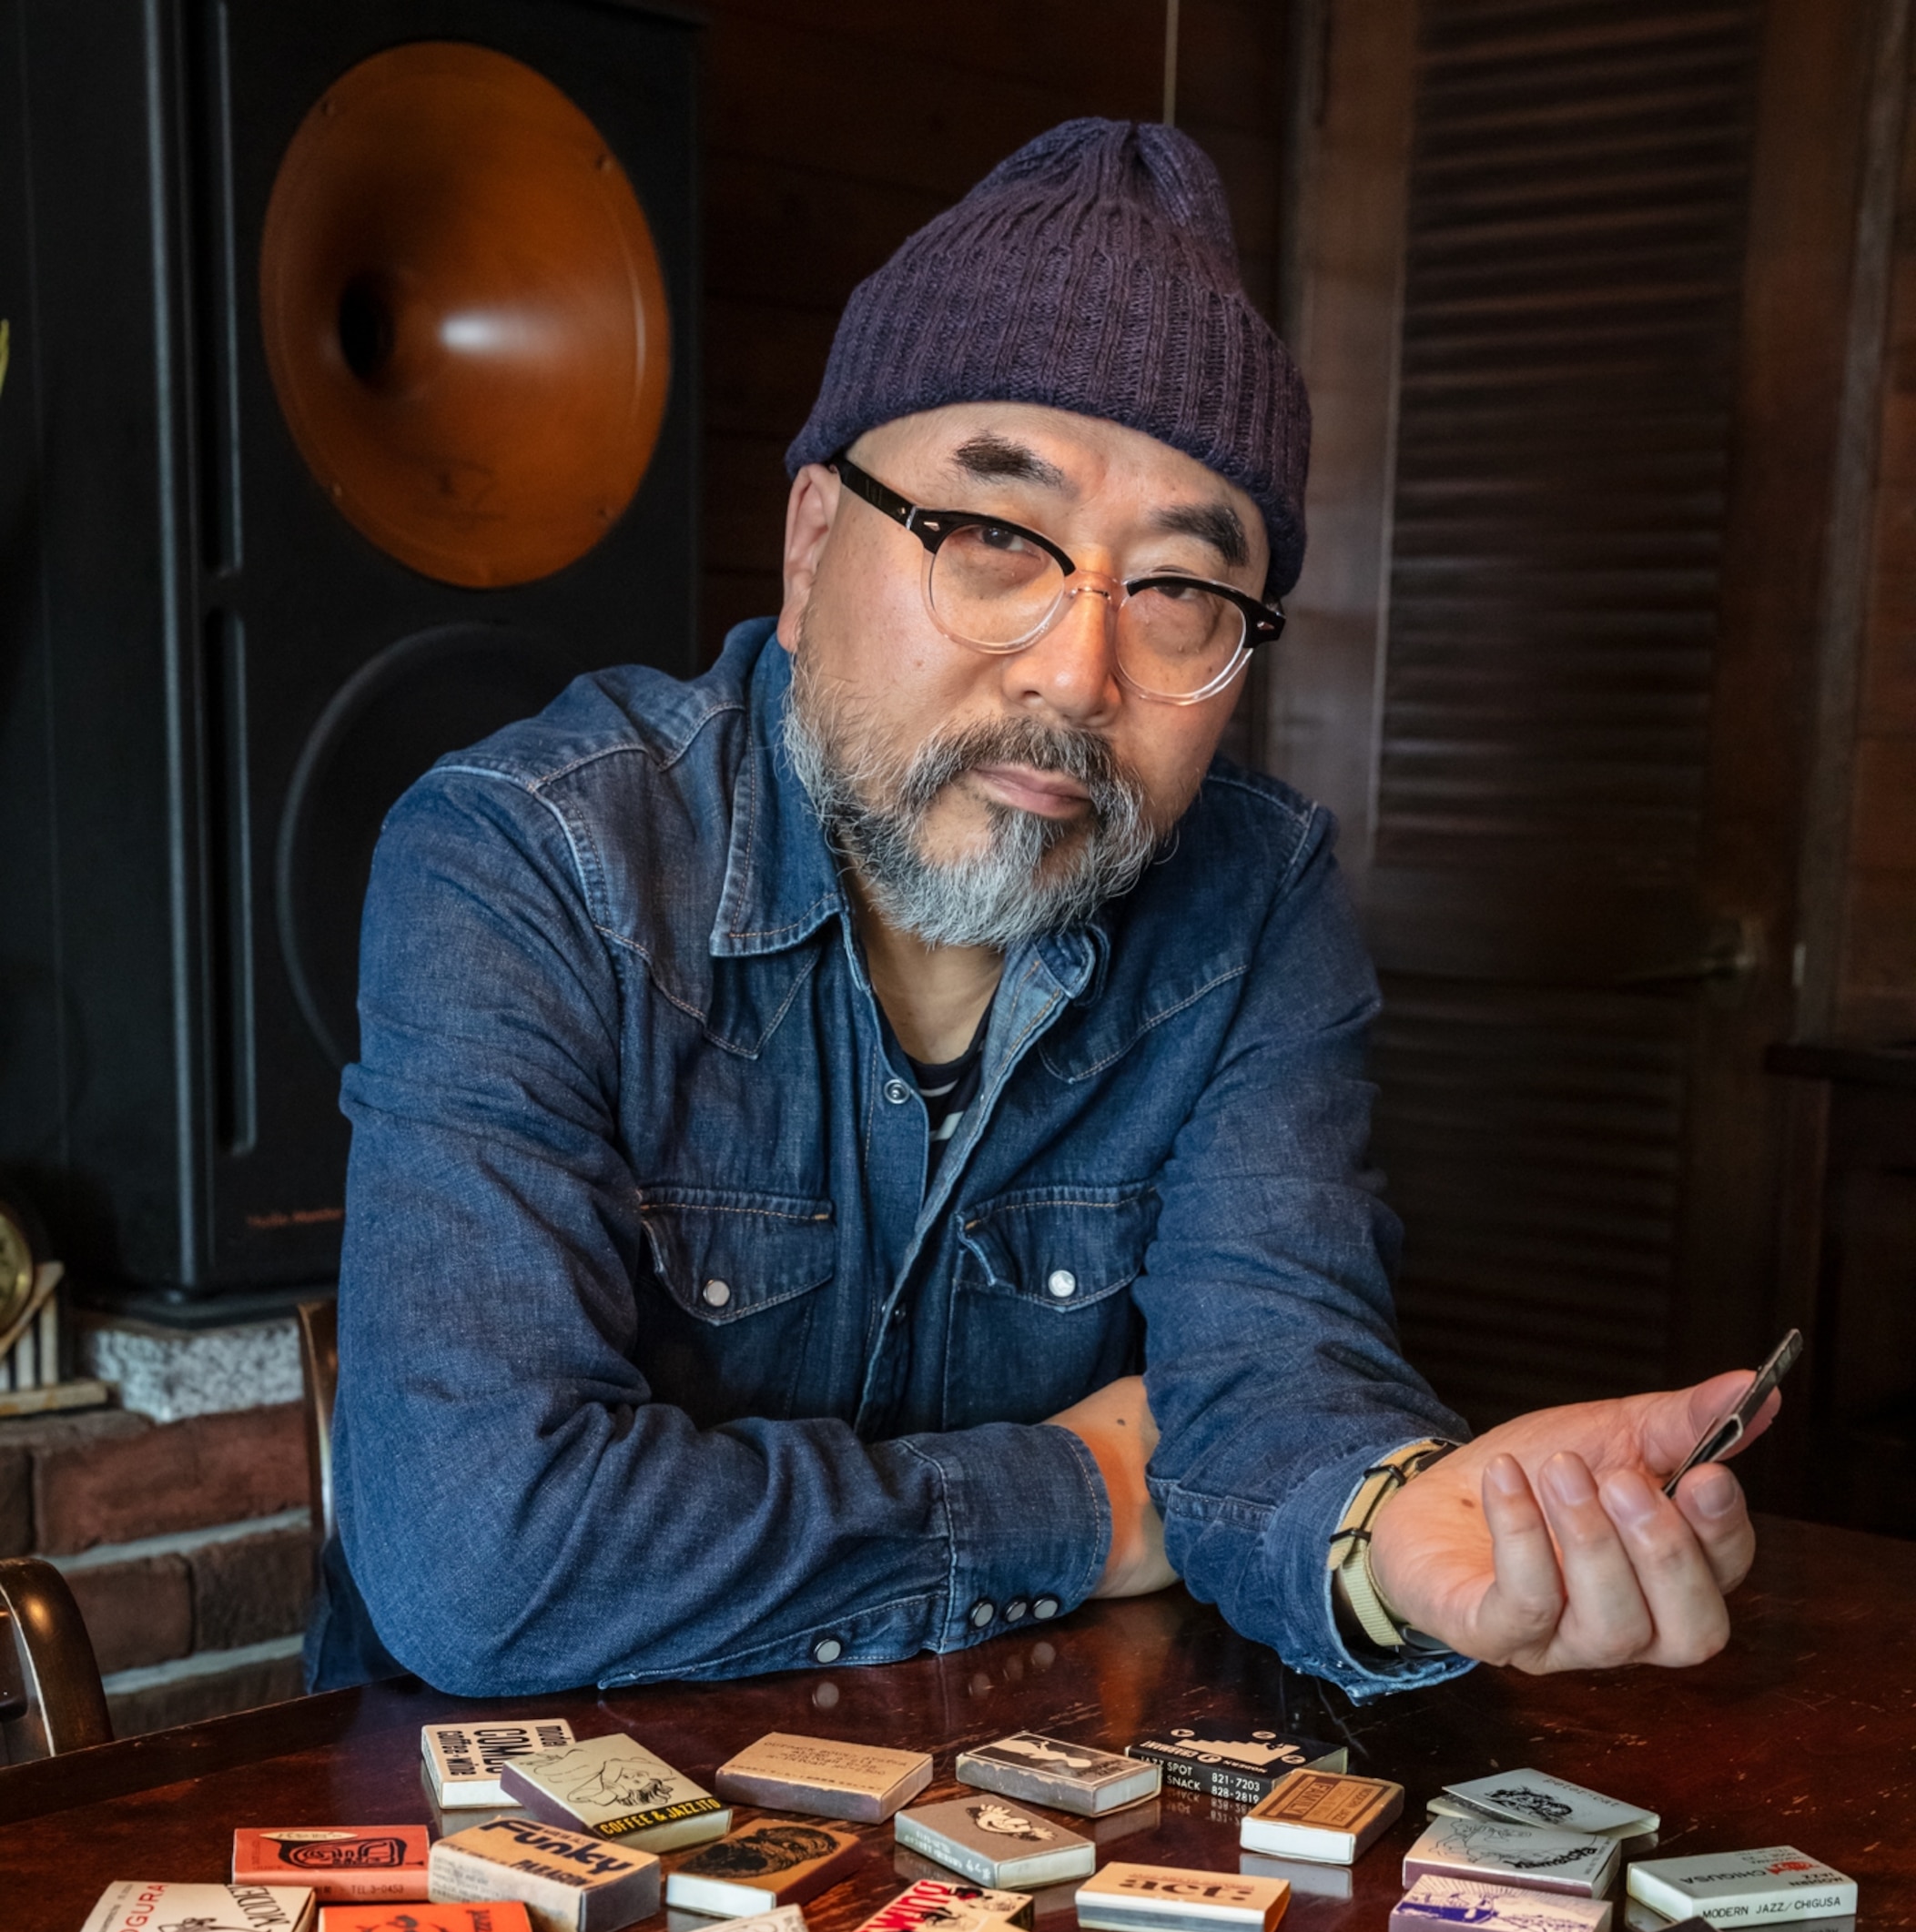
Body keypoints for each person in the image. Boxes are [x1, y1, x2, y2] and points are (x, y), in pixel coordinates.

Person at [308, 120, 1769, 1702]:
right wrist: (1089, 1496)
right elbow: (483, 1562)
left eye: (1179, 591)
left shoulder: (1252, 896)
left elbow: (1271, 1379)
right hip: (503, 1831)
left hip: (1031, 1822)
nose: (1078, 674)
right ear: (810, 551)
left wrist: (1387, 1543)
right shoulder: (528, 855)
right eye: (996, 541)